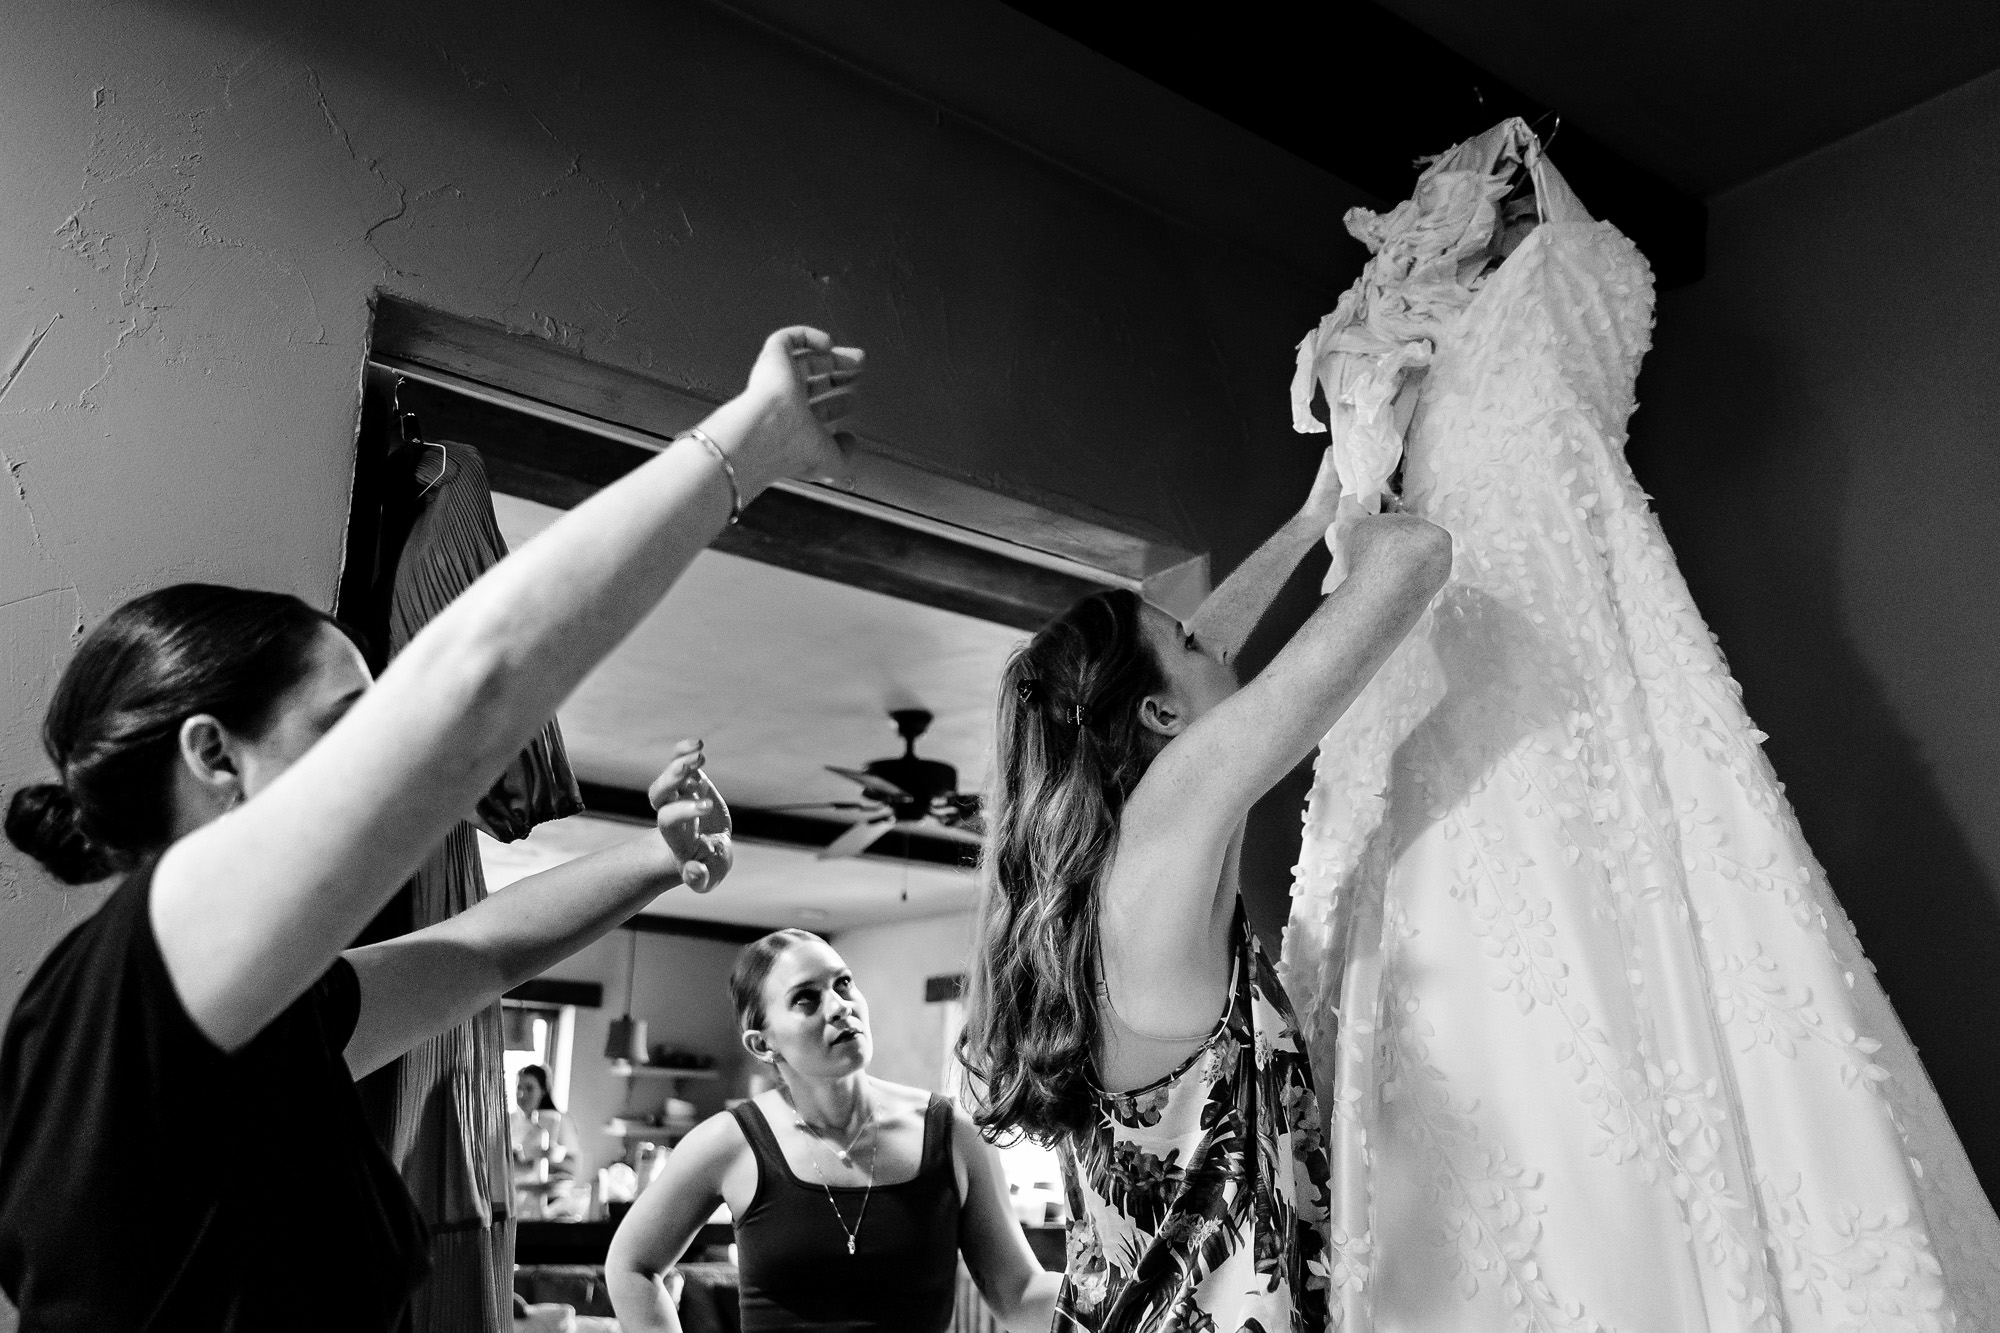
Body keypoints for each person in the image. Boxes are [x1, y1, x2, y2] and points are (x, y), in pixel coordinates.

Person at [0, 326, 862, 1331]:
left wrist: (658, 853)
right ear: (213, 755)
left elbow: (485, 952)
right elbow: (474, 683)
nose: (384, 750)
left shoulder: (255, 1010)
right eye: (345, 720)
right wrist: (755, 435)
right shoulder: (144, 977)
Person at [956, 451, 1452, 1332]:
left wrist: (1307, 522)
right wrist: (1365, 514)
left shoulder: (1089, 893)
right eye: (1183, 642)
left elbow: (1204, 666)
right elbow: (1417, 558)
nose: (1209, 641)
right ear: (1158, 718)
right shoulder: (1170, 820)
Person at [605, 930, 1058, 1333]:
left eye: (843, 983)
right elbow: (631, 1266)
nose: (840, 1006)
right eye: (806, 998)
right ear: (763, 1044)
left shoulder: (952, 1134)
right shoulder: (730, 1142)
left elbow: (1017, 1293)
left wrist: (1117, 1291)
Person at [511, 1064, 585, 1218]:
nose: (522, 1094)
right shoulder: (512, 1122)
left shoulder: (560, 1121)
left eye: (529, 1088)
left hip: (550, 1201)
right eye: (519, 1088)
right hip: (518, 1199)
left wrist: (549, 1158)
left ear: (543, 1090)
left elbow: (572, 1165)